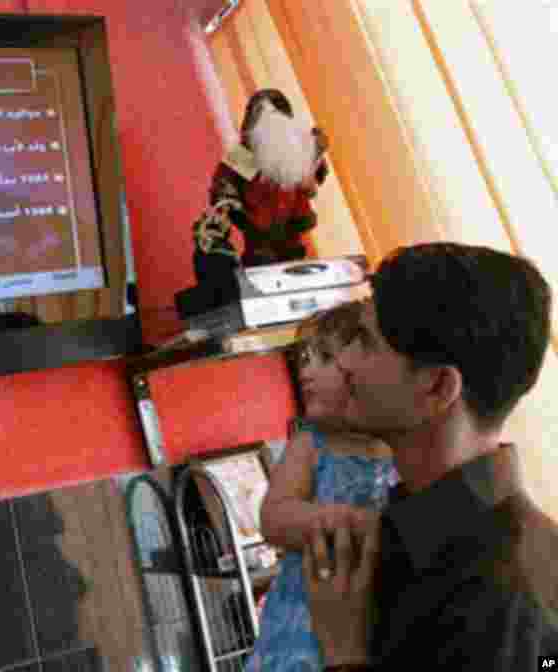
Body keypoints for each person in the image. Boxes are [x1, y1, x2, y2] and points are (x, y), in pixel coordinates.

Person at [301, 242, 558, 670]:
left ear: (438, 388)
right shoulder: (416, 538)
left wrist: (345, 655)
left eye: (364, 343)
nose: (343, 361)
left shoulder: (501, 597)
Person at [243, 300, 398, 672]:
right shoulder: (312, 443)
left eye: (324, 359)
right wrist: (356, 524)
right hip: (298, 622)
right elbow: (274, 518)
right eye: (304, 359)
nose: (306, 371)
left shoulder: (401, 447)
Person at [203, 88, 329, 268]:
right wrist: (225, 204)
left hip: (290, 225)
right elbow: (224, 183)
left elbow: (313, 178)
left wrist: (315, 156)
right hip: (259, 228)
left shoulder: (294, 148)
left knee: (292, 258)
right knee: (262, 261)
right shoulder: (246, 153)